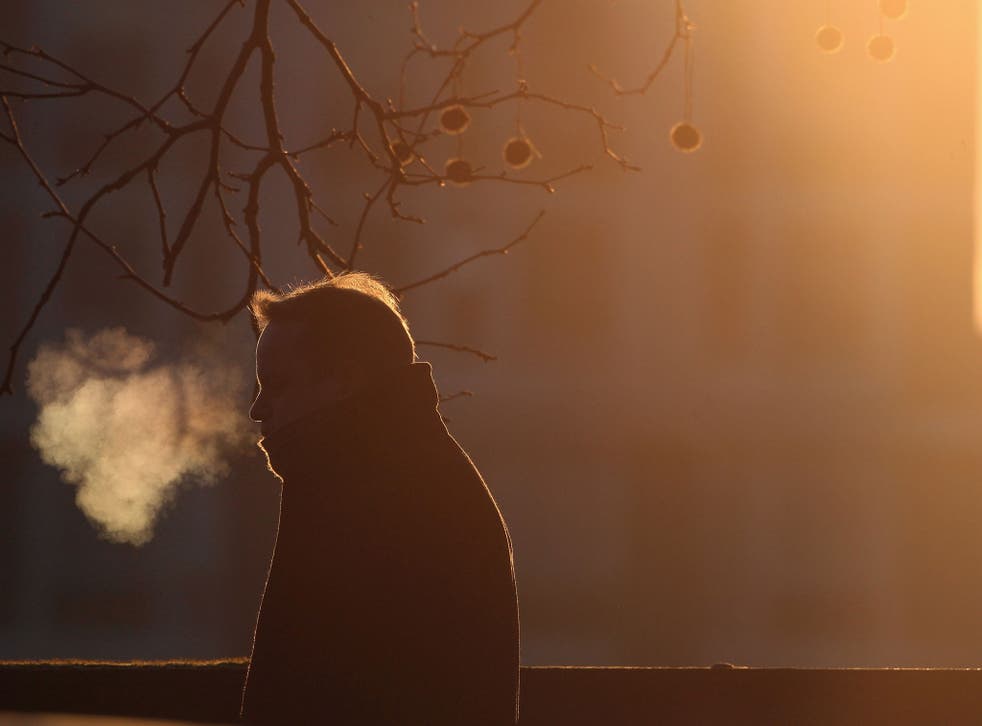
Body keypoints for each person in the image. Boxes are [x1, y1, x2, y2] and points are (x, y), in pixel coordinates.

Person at [240, 273, 521, 725]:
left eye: (277, 383)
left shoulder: (377, 495)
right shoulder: (375, 477)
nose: (257, 409)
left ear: (344, 381)